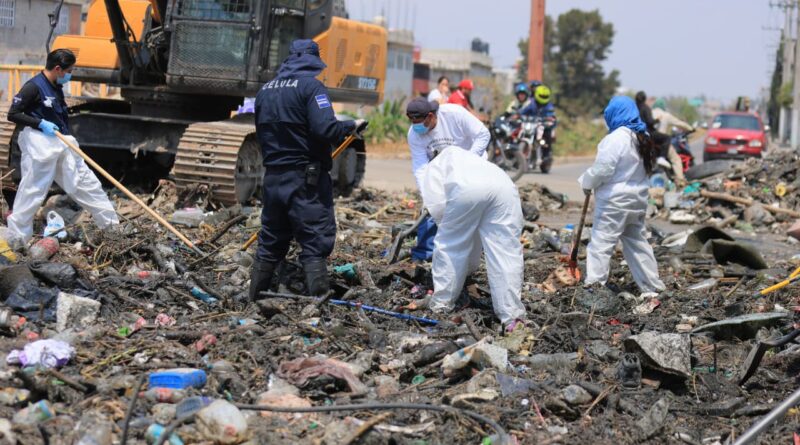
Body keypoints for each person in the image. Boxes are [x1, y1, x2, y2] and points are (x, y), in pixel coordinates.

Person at [249, 39, 366, 300]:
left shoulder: (265, 90)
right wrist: (351, 126)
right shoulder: (312, 87)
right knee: (315, 238)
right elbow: (325, 129)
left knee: (271, 239)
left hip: (273, 179)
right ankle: (319, 303)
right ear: (312, 61)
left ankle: (254, 297)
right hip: (305, 180)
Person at [6, 48, 119, 244]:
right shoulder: (33, 87)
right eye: (69, 71)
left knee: (87, 183)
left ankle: (113, 231)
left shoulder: (56, 86)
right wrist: (40, 124)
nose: (70, 75)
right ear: (58, 69)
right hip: (40, 145)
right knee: (32, 191)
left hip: (62, 142)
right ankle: (18, 239)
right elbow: (13, 113)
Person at [418, 145, 526, 330]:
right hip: (504, 187)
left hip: (467, 189)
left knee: (450, 245)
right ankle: (512, 318)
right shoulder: (472, 159)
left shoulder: (434, 166)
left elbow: (439, 210)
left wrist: (455, 236)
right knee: (506, 252)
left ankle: (442, 304)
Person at [578, 96, 666, 297]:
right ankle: (652, 286)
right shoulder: (642, 136)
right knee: (637, 244)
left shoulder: (615, 138)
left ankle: (594, 287)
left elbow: (603, 170)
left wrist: (587, 182)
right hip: (637, 201)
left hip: (614, 203)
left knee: (601, 243)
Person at [406, 97, 490, 262]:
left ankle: (470, 252)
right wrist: (428, 197)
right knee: (431, 210)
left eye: (419, 121)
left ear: (431, 116)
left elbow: (483, 134)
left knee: (468, 208)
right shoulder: (414, 134)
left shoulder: (454, 114)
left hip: (472, 166)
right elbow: (420, 167)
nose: (416, 125)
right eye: (411, 121)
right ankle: (425, 254)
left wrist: (468, 161)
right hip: (441, 171)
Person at [652, 98, 694, 185]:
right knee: (676, 159)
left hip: (648, 143)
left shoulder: (648, 114)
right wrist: (691, 129)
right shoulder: (665, 115)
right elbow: (680, 123)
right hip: (661, 143)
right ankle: (680, 182)